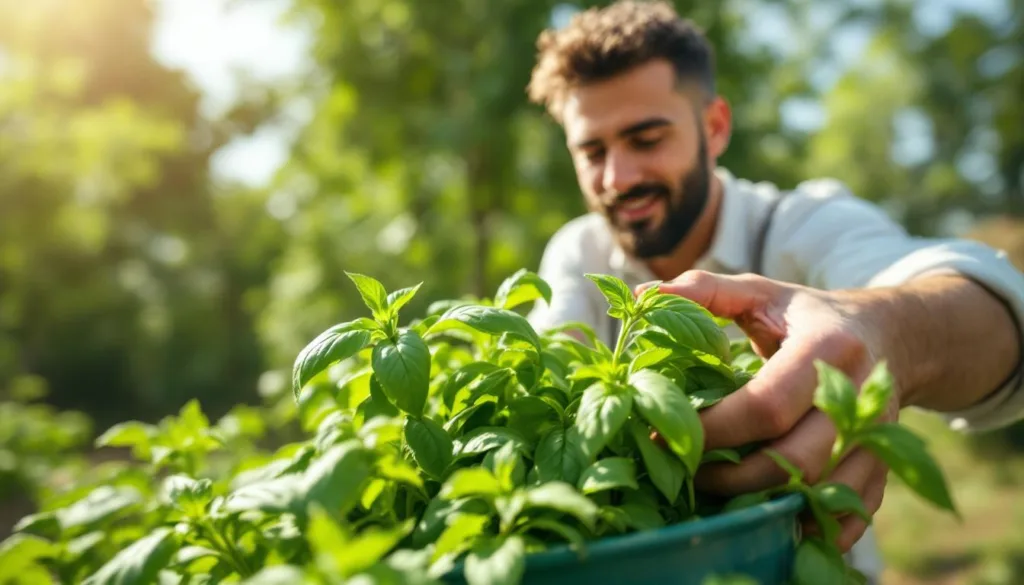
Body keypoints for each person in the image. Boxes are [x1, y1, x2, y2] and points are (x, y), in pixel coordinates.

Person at [522, 1, 1024, 581]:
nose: (618, 177)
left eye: (646, 138)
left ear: (714, 128)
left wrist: (883, 332)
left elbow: (991, 304)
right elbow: (551, 364)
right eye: (593, 152)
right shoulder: (577, 255)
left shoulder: (797, 225)